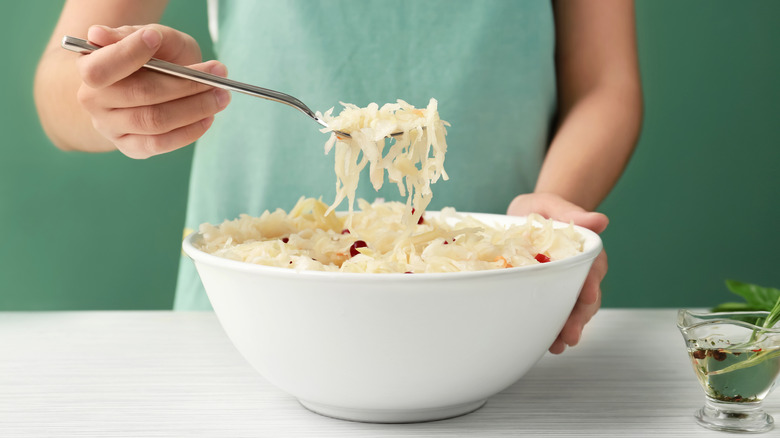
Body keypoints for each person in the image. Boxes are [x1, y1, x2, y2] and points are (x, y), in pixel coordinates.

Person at [34, 0, 642, 354]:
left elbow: (604, 84)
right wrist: (114, 97)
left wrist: (549, 215)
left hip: (489, 305)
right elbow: (59, 89)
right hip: (248, 319)